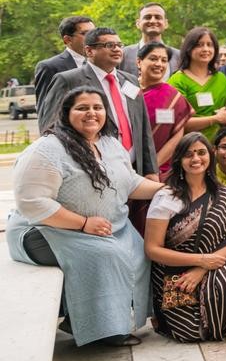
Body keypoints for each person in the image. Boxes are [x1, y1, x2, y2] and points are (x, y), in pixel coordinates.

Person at [7, 89, 163, 346]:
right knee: (105, 256)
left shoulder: (110, 143)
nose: (91, 113)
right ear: (67, 113)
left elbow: (130, 183)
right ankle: (104, 331)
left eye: (97, 107)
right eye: (82, 108)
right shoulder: (48, 150)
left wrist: (166, 190)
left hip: (106, 228)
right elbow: (32, 203)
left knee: (138, 250)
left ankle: (103, 318)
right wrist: (83, 223)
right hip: (45, 231)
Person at [144, 133, 226, 343]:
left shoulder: (224, 193)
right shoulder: (166, 197)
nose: (196, 159)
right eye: (188, 154)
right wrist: (198, 261)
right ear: (179, 160)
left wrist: (203, 267)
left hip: (215, 262)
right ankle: (163, 318)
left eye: (201, 153)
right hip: (174, 269)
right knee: (191, 333)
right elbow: (152, 249)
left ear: (210, 157)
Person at [39, 27, 159, 177]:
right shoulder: (68, 80)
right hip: (91, 171)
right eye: (109, 45)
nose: (117, 49)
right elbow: (50, 127)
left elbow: (143, 126)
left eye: (119, 45)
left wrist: (151, 170)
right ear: (89, 51)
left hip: (135, 170)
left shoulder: (131, 81)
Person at [169, 27, 226, 142]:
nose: (205, 49)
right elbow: (176, 123)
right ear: (188, 49)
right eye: (199, 45)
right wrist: (215, 119)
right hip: (188, 147)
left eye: (209, 45)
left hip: (219, 148)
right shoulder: (178, 80)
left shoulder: (221, 78)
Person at [138, 42, 193, 178]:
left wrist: (152, 167)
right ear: (139, 62)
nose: (159, 64)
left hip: (161, 170)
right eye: (153, 58)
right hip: (127, 164)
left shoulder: (173, 96)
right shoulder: (127, 90)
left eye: (164, 60)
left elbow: (177, 137)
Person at [34, 15, 93, 118]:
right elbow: (45, 111)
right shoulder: (49, 67)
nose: (93, 38)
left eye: (94, 33)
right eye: (85, 33)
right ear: (67, 40)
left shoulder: (102, 63)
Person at [119, 3, 179, 75]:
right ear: (138, 23)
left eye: (158, 17)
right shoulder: (123, 55)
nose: (153, 21)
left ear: (166, 23)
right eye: (147, 17)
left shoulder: (179, 56)